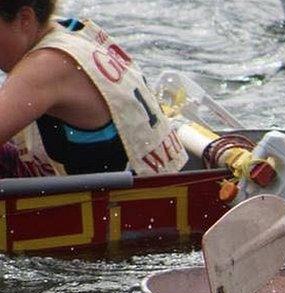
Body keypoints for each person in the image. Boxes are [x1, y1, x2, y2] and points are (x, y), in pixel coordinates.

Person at [0, 1, 186, 178]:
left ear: (25, 18)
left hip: (126, 203)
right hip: (157, 177)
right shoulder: (71, 31)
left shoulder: (44, 66)